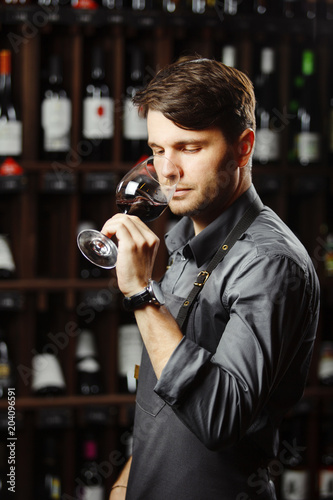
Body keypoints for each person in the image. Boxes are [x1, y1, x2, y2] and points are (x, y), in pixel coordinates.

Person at [105, 56, 320, 500]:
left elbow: (219, 418)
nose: (166, 171)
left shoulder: (271, 263)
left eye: (189, 147)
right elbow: (168, 395)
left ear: (243, 147)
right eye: (158, 150)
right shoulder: (184, 236)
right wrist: (127, 481)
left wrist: (141, 294)